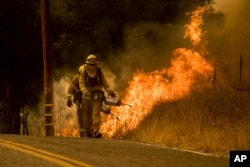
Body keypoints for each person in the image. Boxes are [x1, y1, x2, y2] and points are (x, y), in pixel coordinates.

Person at [79, 54, 116, 138]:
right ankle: (88, 131)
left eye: (94, 64)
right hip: (86, 97)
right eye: (91, 65)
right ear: (87, 64)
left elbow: (105, 83)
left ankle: (96, 131)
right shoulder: (83, 71)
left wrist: (110, 91)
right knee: (87, 115)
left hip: (97, 96)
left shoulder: (99, 71)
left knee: (96, 114)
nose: (93, 67)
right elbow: (81, 84)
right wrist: (86, 92)